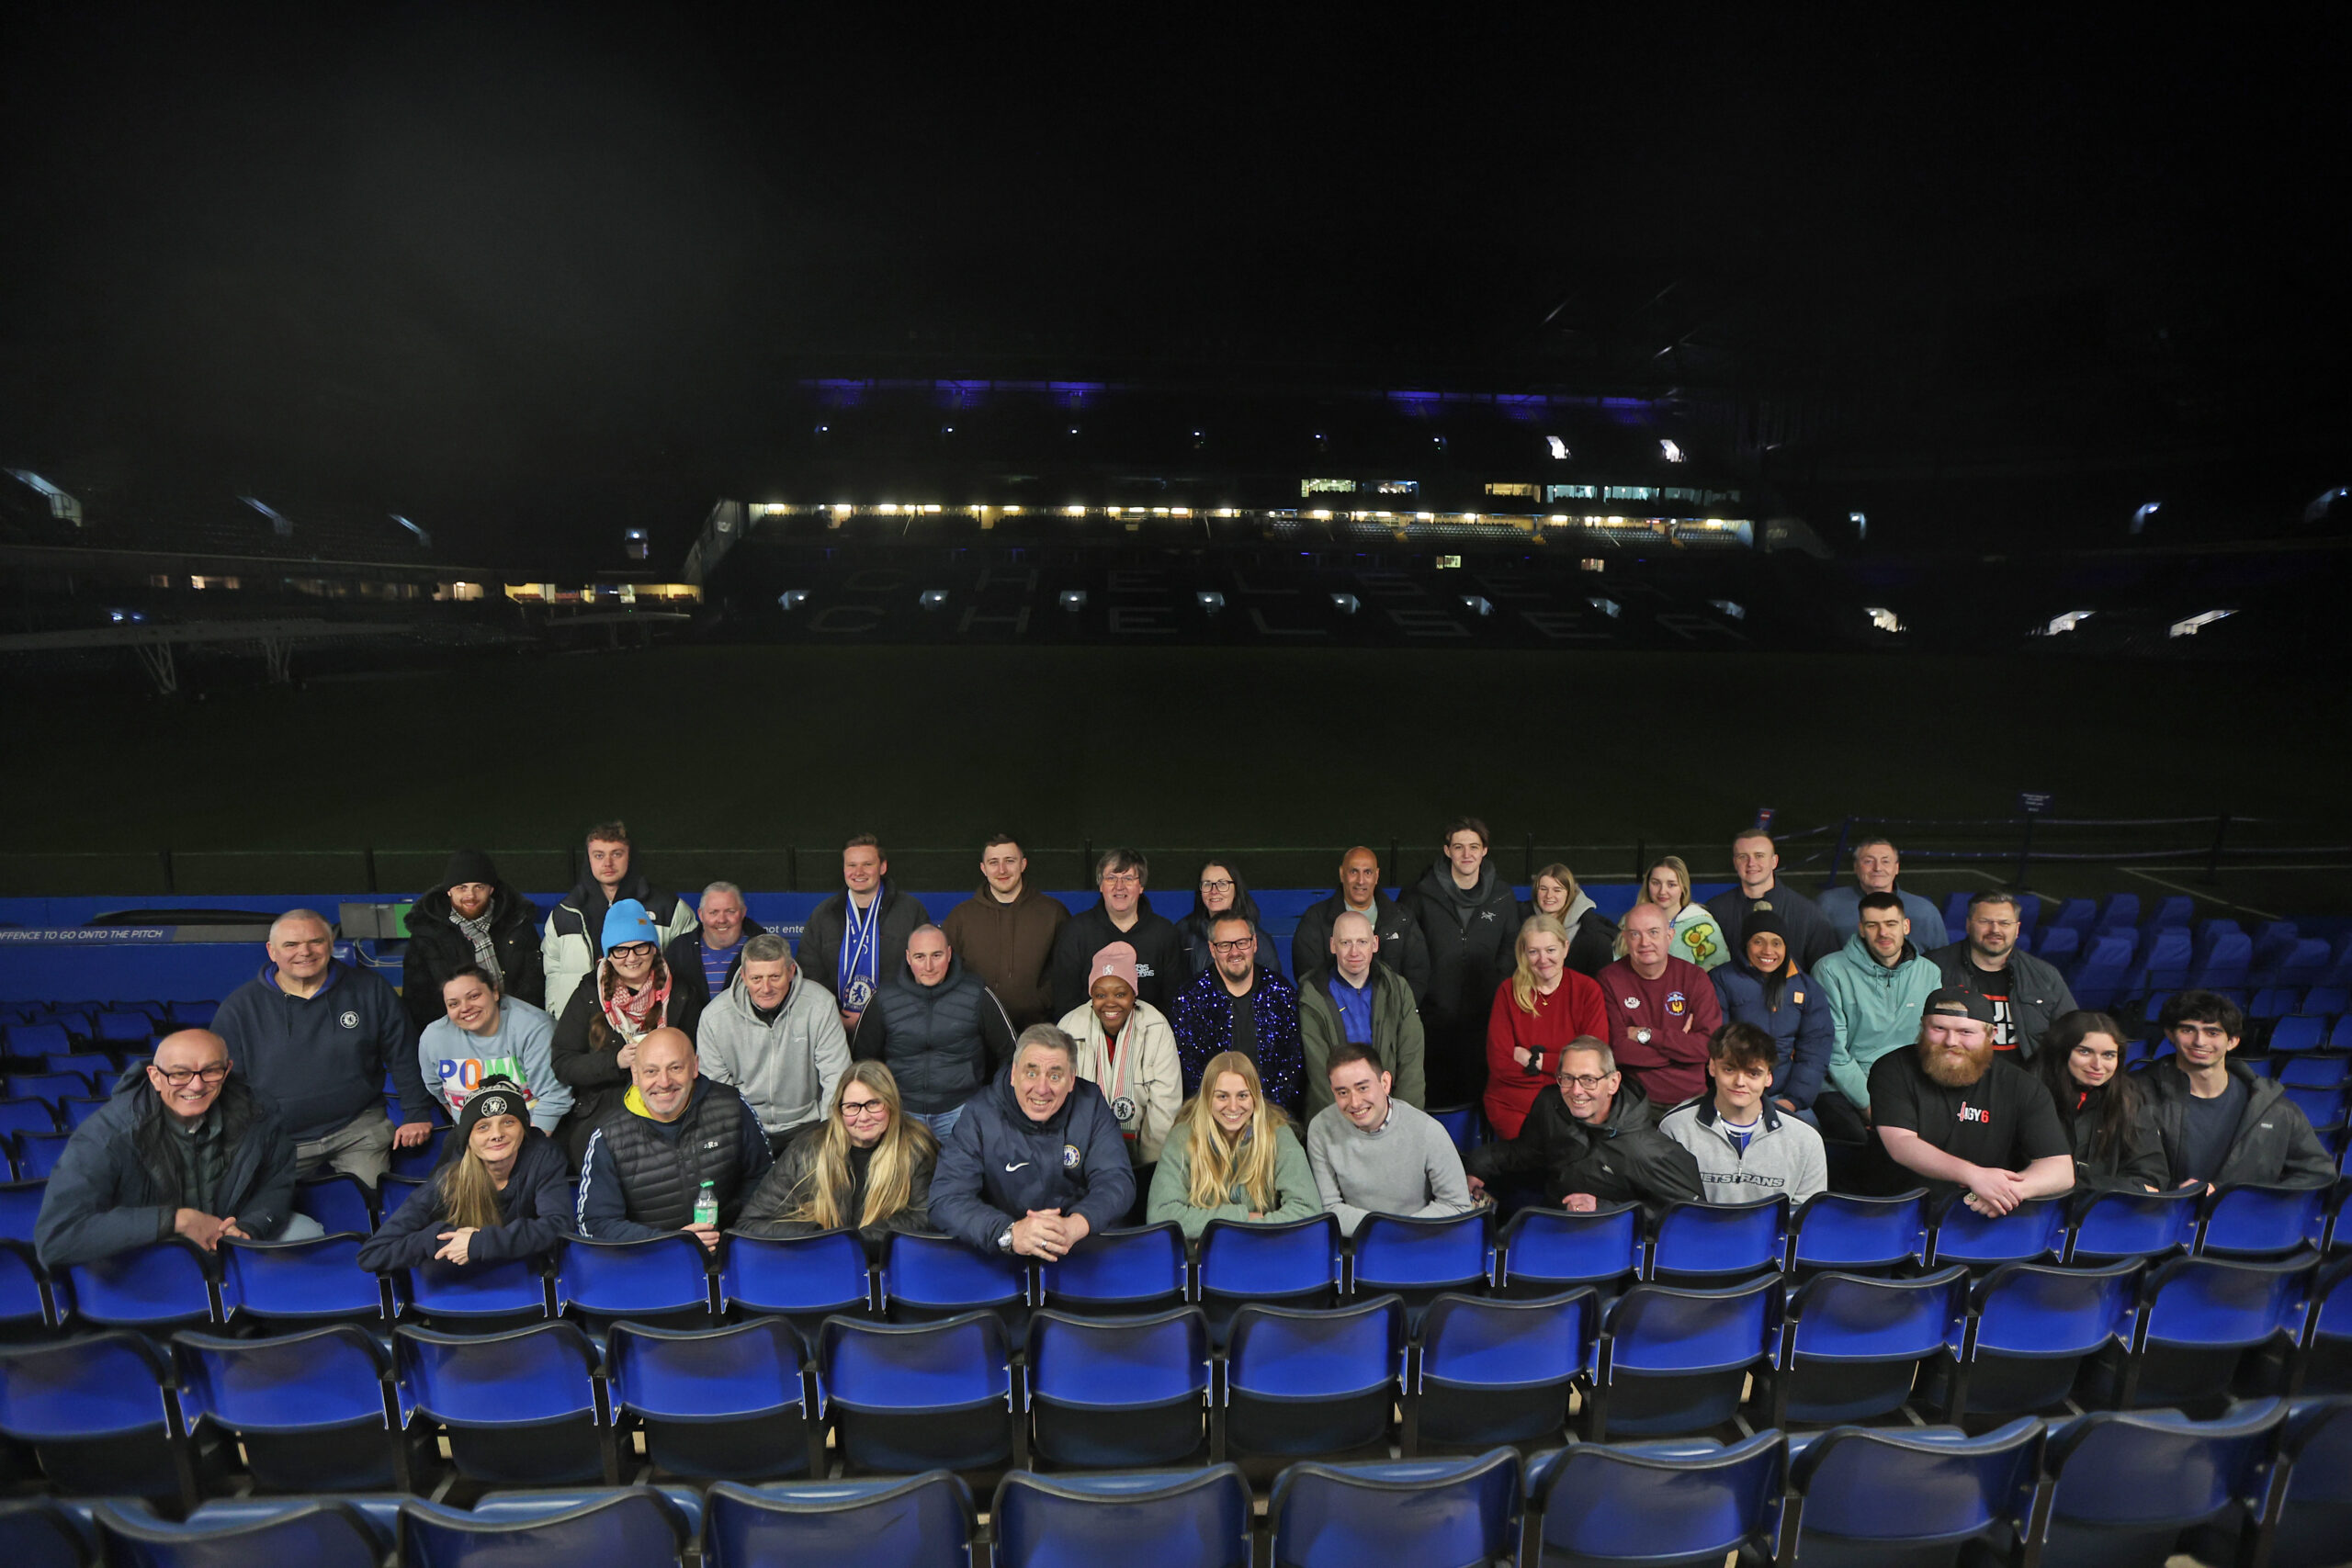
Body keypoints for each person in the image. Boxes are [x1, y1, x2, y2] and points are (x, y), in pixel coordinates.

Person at [34, 1028, 321, 1269]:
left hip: (228, 1242)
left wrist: (250, 1226)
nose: (196, 1085)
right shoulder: (106, 1134)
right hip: (151, 1249)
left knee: (307, 1231)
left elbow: (275, 1185)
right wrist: (174, 1221)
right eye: (180, 1074)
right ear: (155, 1076)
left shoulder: (260, 1115)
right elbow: (57, 1237)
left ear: (227, 1070)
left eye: (210, 1071)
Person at [214, 909, 435, 1184]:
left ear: (331, 944)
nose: (304, 952)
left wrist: (416, 1112)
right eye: (291, 945)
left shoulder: (370, 989)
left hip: (357, 1130)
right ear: (272, 951)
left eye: (315, 942)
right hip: (278, 1138)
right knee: (259, 1213)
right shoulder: (239, 1008)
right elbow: (226, 1084)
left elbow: (403, 1053)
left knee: (375, 1206)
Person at [929, 1025, 1136, 1260]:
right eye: (1031, 1073)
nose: (1041, 1088)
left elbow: (1117, 1182)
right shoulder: (980, 1113)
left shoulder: (1091, 1105)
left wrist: (1076, 1225)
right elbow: (946, 1199)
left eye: (1055, 1076)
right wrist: (1010, 1233)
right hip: (1001, 1256)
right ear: (1013, 1074)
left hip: (1078, 1251)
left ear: (1071, 1080)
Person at [1867, 989, 2075, 1212]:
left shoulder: (2022, 1085)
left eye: (1966, 1031)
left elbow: (2061, 1170)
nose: (1951, 1041)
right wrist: (1975, 1176)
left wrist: (2006, 1192)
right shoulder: (1892, 1069)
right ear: (1923, 1026)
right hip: (1896, 1209)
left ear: (1991, 1034)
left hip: (1980, 1216)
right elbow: (1901, 1144)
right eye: (1939, 1028)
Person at [576, 1028, 775, 1249]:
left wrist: (729, 1235)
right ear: (635, 1074)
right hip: (652, 1265)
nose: (664, 1082)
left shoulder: (731, 1106)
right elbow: (595, 1224)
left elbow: (765, 1180)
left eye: (675, 1068)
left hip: (730, 1251)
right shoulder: (608, 1135)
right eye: (651, 1071)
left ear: (695, 1066)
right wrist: (672, 1243)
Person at [1464, 1036, 1702, 1219]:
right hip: (1556, 1221)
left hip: (1613, 1242)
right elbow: (1527, 1152)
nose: (1576, 1091)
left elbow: (1689, 1213)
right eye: (1567, 1078)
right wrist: (1477, 1167)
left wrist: (1604, 1208)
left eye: (1588, 1080)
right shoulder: (1551, 1104)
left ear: (1613, 1082)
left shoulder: (1648, 1149)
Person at [356, 1077, 571, 1272]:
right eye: (483, 1127)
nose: (497, 1135)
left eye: (508, 1122)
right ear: (468, 1139)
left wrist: (479, 1243)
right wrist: (439, 1240)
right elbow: (373, 1254)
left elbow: (558, 1226)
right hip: (460, 1287)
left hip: (526, 1282)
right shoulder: (452, 1173)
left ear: (523, 1129)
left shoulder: (544, 1157)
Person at [551, 900, 708, 1162]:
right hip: (605, 1113)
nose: (632, 958)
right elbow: (563, 1063)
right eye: (620, 951)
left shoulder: (682, 992)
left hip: (671, 1107)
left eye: (640, 947)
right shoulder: (589, 993)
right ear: (608, 955)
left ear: (654, 949)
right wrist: (616, 1061)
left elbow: (699, 1057)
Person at [2143, 989, 2333, 1190]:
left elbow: (2318, 1175)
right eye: (2188, 1030)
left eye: (2212, 1032)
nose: (2200, 1041)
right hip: (2158, 1218)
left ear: (2232, 1041)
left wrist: (2239, 1201)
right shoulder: (2136, 1096)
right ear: (2170, 1034)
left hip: (2242, 1221)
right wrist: (2173, 1195)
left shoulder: (2274, 1109)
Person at [736, 1062, 939, 1247]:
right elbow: (750, 1224)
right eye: (852, 1107)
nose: (864, 1116)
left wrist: (862, 1238)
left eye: (873, 1104)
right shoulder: (808, 1148)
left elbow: (929, 1218)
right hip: (822, 1263)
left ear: (891, 1104)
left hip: (885, 1268)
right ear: (839, 1111)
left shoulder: (916, 1146)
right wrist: (823, 1237)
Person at [852, 924, 1017, 1139]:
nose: (928, 966)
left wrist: (993, 1101)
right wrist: (879, 1105)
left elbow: (1012, 1055)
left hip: (962, 1110)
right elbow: (862, 1062)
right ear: (908, 958)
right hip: (900, 1111)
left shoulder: (977, 993)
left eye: (936, 955)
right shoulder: (884, 997)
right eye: (920, 957)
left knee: (960, 1173)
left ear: (949, 954)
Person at [1400, 818, 1521, 1110]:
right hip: (1432, 1021)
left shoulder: (1502, 896)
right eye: (1459, 847)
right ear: (1447, 851)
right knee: (1434, 1099)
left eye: (1473, 847)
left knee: (1478, 1099)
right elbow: (1406, 952)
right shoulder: (1419, 895)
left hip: (1484, 1020)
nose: (1466, 854)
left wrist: (1495, 988)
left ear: (1484, 851)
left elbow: (1512, 948)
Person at [696, 932, 852, 1155]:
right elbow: (717, 1091)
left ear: (791, 972)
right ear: (743, 976)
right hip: (745, 1128)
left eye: (775, 977)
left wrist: (829, 1136)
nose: (766, 988)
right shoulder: (715, 1017)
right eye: (756, 979)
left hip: (807, 1126)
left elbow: (836, 1076)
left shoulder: (820, 1005)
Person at [1813, 891, 1946, 1142]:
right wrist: (1868, 1105)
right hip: (1844, 1088)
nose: (1883, 933)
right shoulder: (1830, 970)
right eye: (1873, 925)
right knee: (1862, 1143)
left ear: (1906, 926)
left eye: (1891, 924)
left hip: (1907, 1085)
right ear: (1861, 929)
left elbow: (1933, 1041)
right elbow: (1834, 1051)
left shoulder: (1929, 973)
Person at [1306, 1042, 1479, 1235]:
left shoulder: (1428, 1130)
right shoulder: (1321, 1129)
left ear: (1385, 1083)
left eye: (1363, 1088)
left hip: (1417, 1240)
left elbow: (1456, 1205)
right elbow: (1328, 1208)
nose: (1354, 1102)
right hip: (1357, 1244)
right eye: (1343, 1092)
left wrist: (1398, 1233)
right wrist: (1383, 1232)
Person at [1147, 1051, 1323, 1238]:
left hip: (1262, 1249)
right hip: (1203, 1256)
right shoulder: (1183, 1137)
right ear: (1207, 1098)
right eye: (1222, 1096)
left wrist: (1241, 1235)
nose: (1233, 1107)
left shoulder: (1278, 1134)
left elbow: (1307, 1210)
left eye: (1242, 1096)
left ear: (1255, 1097)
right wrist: (1243, 1217)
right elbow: (1161, 1215)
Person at [1658, 1023, 1829, 1206]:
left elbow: (1805, 1219)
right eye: (1729, 1070)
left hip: (1772, 1236)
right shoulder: (1675, 1128)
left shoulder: (1806, 1139)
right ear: (1712, 1067)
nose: (1740, 1082)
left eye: (1753, 1073)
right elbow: (1670, 1210)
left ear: (1769, 1077)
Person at [541, 820, 697, 1021]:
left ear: (630, 856)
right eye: (599, 855)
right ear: (588, 859)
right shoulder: (566, 912)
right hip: (583, 1023)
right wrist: (557, 1011)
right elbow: (553, 970)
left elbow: (688, 965)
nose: (607, 863)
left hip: (651, 1021)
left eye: (616, 854)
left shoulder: (667, 907)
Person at [1483, 914, 1610, 1139]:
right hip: (1513, 1105)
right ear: (1524, 954)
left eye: (1550, 950)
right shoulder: (1507, 991)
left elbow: (1594, 1062)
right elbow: (1500, 1065)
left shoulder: (1587, 990)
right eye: (1534, 952)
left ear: (1565, 948)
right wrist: (1565, 1073)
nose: (1543, 959)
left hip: (1572, 1102)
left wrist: (1536, 1061)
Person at [1057, 942, 1183, 1165]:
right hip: (1081, 1155)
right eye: (1100, 995)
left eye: (1120, 994)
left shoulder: (1155, 1027)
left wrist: (1150, 1168)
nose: (1110, 1003)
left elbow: (1165, 1108)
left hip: (1142, 1157)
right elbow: (1059, 1100)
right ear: (1091, 997)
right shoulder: (1069, 1027)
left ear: (1134, 995)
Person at [1169, 911, 1305, 1112]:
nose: (1234, 952)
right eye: (1224, 945)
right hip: (1211, 1117)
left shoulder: (1281, 992)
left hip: (1273, 1116)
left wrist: (1266, 1115)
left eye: (1242, 942)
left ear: (1255, 944)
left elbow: (1292, 1066)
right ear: (1212, 950)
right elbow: (1191, 1073)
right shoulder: (1189, 998)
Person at [400, 850, 546, 1035]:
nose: (470, 895)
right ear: (449, 891)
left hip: (517, 1031)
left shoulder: (518, 924)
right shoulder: (426, 934)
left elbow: (534, 985)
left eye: (479, 887)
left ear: (491, 889)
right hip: (454, 1036)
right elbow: (418, 1002)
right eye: (462, 887)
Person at [1297, 910, 1427, 1120]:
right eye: (1346, 943)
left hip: (1391, 1117)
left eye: (1362, 942)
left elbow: (1411, 1062)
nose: (1354, 952)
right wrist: (1350, 1121)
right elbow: (1319, 1075)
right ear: (1333, 945)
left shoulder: (1397, 990)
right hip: (1337, 1119)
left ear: (1375, 944)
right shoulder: (1312, 995)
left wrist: (1401, 1121)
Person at [1595, 902, 1724, 1109]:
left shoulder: (1694, 978)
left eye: (1653, 932)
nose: (1645, 942)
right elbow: (1617, 1051)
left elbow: (1708, 1047)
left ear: (1669, 936)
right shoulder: (1609, 979)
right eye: (1635, 934)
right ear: (1626, 939)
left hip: (1692, 1100)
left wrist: (1645, 1035)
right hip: (1635, 1103)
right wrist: (1681, 1047)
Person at [1706, 909, 1833, 1121]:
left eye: (1776, 943)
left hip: (1785, 1096)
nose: (1767, 950)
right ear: (1745, 944)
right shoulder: (1721, 979)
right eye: (1758, 941)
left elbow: (1815, 1048)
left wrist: (1793, 1100)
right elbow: (1716, 1043)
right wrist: (1740, 1093)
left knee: (1808, 1133)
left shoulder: (1806, 987)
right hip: (1734, 1092)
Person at [797, 835, 928, 1037]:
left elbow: (924, 970)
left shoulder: (911, 911)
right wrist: (833, 1016)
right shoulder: (824, 914)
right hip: (835, 1028)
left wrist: (889, 1015)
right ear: (844, 869)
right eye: (852, 865)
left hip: (897, 1028)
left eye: (867, 864)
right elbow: (810, 971)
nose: (858, 872)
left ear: (882, 867)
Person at [421, 966, 571, 1135]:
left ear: (495, 993)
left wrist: (530, 1149)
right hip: (473, 1141)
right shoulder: (433, 1038)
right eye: (453, 1004)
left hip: (535, 1135)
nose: (465, 1008)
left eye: (474, 996)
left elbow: (554, 1097)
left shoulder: (534, 1028)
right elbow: (438, 1089)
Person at [941, 834, 1070, 1030]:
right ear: (983, 868)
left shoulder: (1053, 912)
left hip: (1038, 1028)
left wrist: (1040, 1001)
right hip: (977, 1030)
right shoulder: (961, 916)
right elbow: (947, 971)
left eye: (1010, 861)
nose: (1002, 870)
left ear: (1023, 864)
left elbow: (1066, 970)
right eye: (994, 862)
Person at [1928, 891, 2078, 1058]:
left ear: (2017, 929)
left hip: (2024, 1077)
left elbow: (2071, 1033)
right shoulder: (1932, 968)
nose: (1995, 930)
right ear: (1968, 925)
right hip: (1952, 1072)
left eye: (2004, 923)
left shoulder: (2045, 975)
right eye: (1985, 922)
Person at [2033, 1010, 2167, 1191]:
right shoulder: (2028, 1095)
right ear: (2061, 1051)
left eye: (2108, 1055)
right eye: (2085, 1052)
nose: (2097, 1065)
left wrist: (2085, 1189)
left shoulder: (2128, 1099)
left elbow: (2151, 1177)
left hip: (2103, 1211)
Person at [1049, 848, 1187, 1016]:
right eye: (1111, 878)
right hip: (1089, 1035)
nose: (1119, 887)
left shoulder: (1165, 934)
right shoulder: (1076, 931)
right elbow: (1065, 1001)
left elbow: (1173, 1002)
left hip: (1149, 1036)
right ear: (1100, 885)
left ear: (1141, 886)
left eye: (1128, 879)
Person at [1290, 845, 1432, 1002]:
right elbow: (1309, 977)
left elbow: (1417, 976)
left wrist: (1389, 1015)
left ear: (1377, 876)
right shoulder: (1316, 919)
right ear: (1342, 874)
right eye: (1353, 872)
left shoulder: (1402, 919)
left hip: (1391, 1020)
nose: (1361, 880)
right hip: (1335, 1020)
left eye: (1368, 872)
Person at [1703, 829, 1840, 972]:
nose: (1751, 863)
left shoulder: (1808, 914)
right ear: (1735, 862)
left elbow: (1827, 972)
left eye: (1759, 856)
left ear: (1774, 861)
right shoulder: (1715, 911)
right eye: (1743, 856)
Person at [1815, 837, 1949, 951]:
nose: (1877, 868)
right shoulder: (1828, 904)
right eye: (1868, 861)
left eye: (1885, 861)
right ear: (1855, 867)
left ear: (1897, 868)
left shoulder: (1925, 911)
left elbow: (1942, 962)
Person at [1175, 858, 1285, 978]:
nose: (1214, 891)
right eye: (1207, 884)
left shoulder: (1259, 941)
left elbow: (1272, 988)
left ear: (1236, 888)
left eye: (1222, 884)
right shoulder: (1183, 932)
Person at [665, 881, 769, 1002]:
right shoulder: (680, 949)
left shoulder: (766, 948)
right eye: (714, 912)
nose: (721, 919)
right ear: (701, 915)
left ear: (743, 912)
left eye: (730, 911)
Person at [1521, 863, 1620, 977]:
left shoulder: (1595, 936)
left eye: (1557, 890)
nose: (1549, 895)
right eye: (1543, 889)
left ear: (1569, 894)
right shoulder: (1520, 919)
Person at [1645, 855, 1734, 972]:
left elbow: (1718, 974)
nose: (1662, 891)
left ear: (1683, 887)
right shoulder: (1631, 922)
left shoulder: (1703, 924)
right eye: (1656, 883)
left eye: (1671, 884)